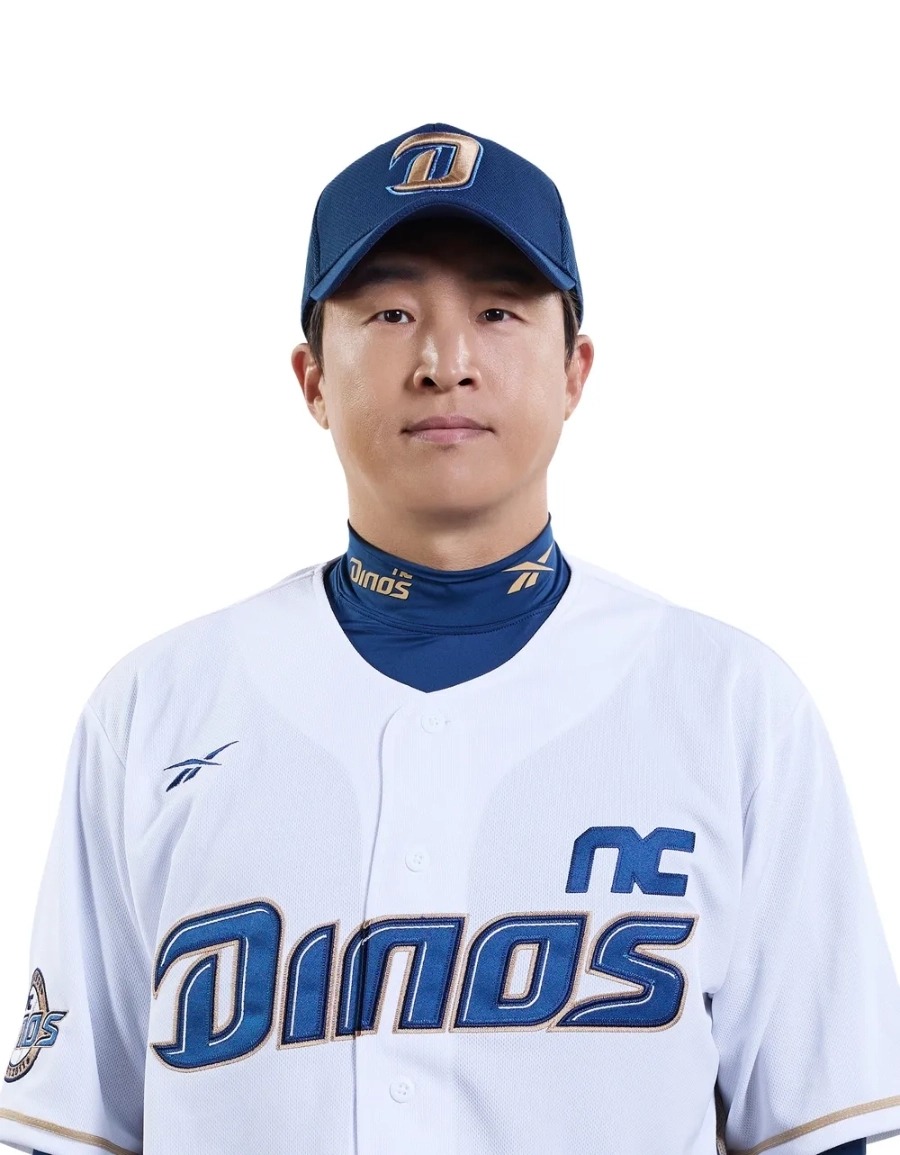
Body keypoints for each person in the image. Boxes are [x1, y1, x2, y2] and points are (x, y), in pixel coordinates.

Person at [1, 122, 898, 1155]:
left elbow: (821, 1129)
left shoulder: (731, 705)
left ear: (575, 371)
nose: (446, 361)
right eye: (390, 312)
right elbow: (69, 1134)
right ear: (311, 378)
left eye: (499, 310)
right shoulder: (155, 710)